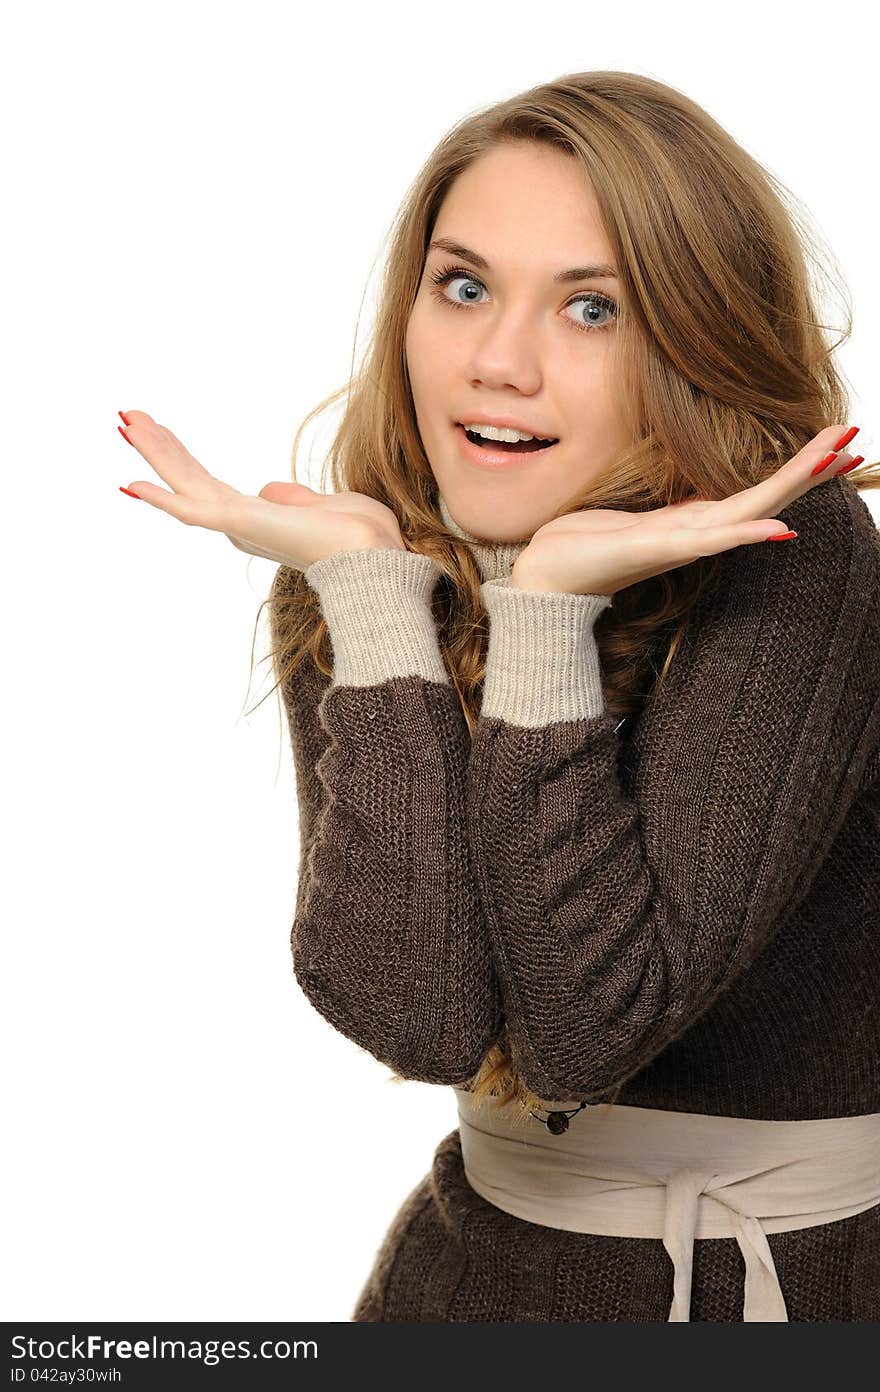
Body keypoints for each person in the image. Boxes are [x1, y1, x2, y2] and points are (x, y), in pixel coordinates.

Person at [117, 70, 880, 1321]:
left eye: (592, 310)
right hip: (467, 1289)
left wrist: (546, 621)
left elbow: (588, 1037)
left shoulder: (794, 553)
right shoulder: (362, 562)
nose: (498, 363)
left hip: (784, 1293)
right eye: (462, 287)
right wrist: (372, 602)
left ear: (694, 337)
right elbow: (420, 1020)